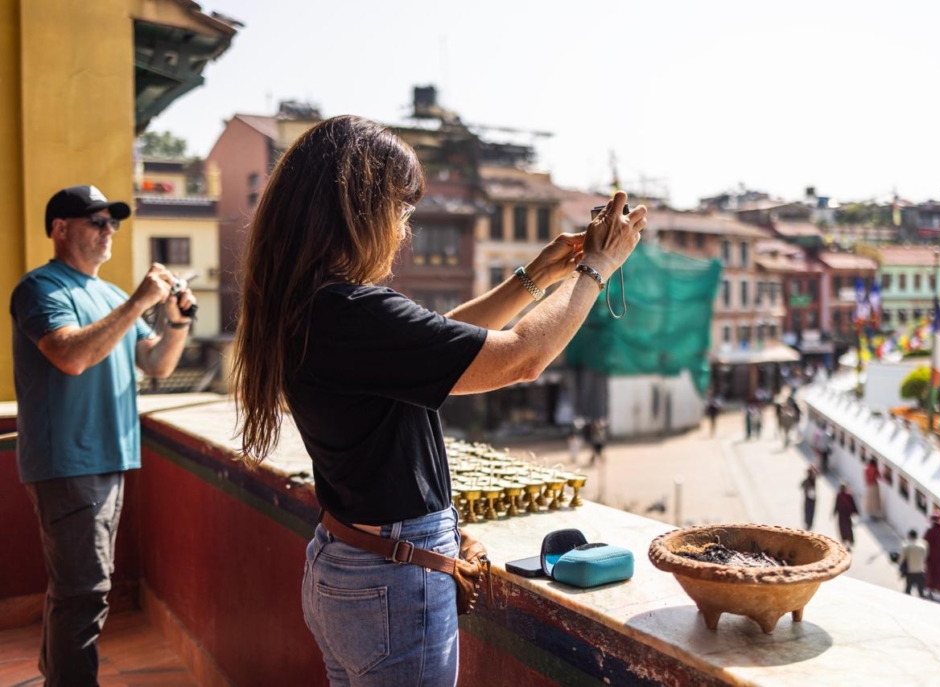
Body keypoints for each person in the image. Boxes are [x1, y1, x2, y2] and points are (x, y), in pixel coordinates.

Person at [231, 116, 647, 686]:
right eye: (400, 212)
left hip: (344, 564)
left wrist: (536, 277)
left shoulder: (316, 307)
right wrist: (597, 270)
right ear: (357, 209)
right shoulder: (350, 311)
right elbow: (521, 357)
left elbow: (438, 347)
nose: (404, 233)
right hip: (389, 582)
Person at [10, 185, 195, 685]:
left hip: (111, 459)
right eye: (96, 220)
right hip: (67, 462)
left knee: (74, 589)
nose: (108, 229)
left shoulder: (110, 295)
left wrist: (177, 321)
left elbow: (155, 363)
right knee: (85, 592)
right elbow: (69, 356)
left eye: (112, 221)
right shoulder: (41, 288)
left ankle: (57, 676)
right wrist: (140, 301)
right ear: (60, 228)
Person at [899, 529, 927, 598]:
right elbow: (924, 557)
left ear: (910, 536)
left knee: (908, 590)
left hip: (910, 571)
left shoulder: (907, 547)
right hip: (920, 571)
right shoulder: (922, 546)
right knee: (921, 591)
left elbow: (901, 559)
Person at [833, 482, 860, 551]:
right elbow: (837, 505)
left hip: (844, 515)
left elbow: (837, 505)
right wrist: (856, 512)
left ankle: (847, 543)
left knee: (845, 529)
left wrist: (834, 513)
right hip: (845, 515)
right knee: (846, 529)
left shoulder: (845, 495)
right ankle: (846, 543)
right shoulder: (844, 495)